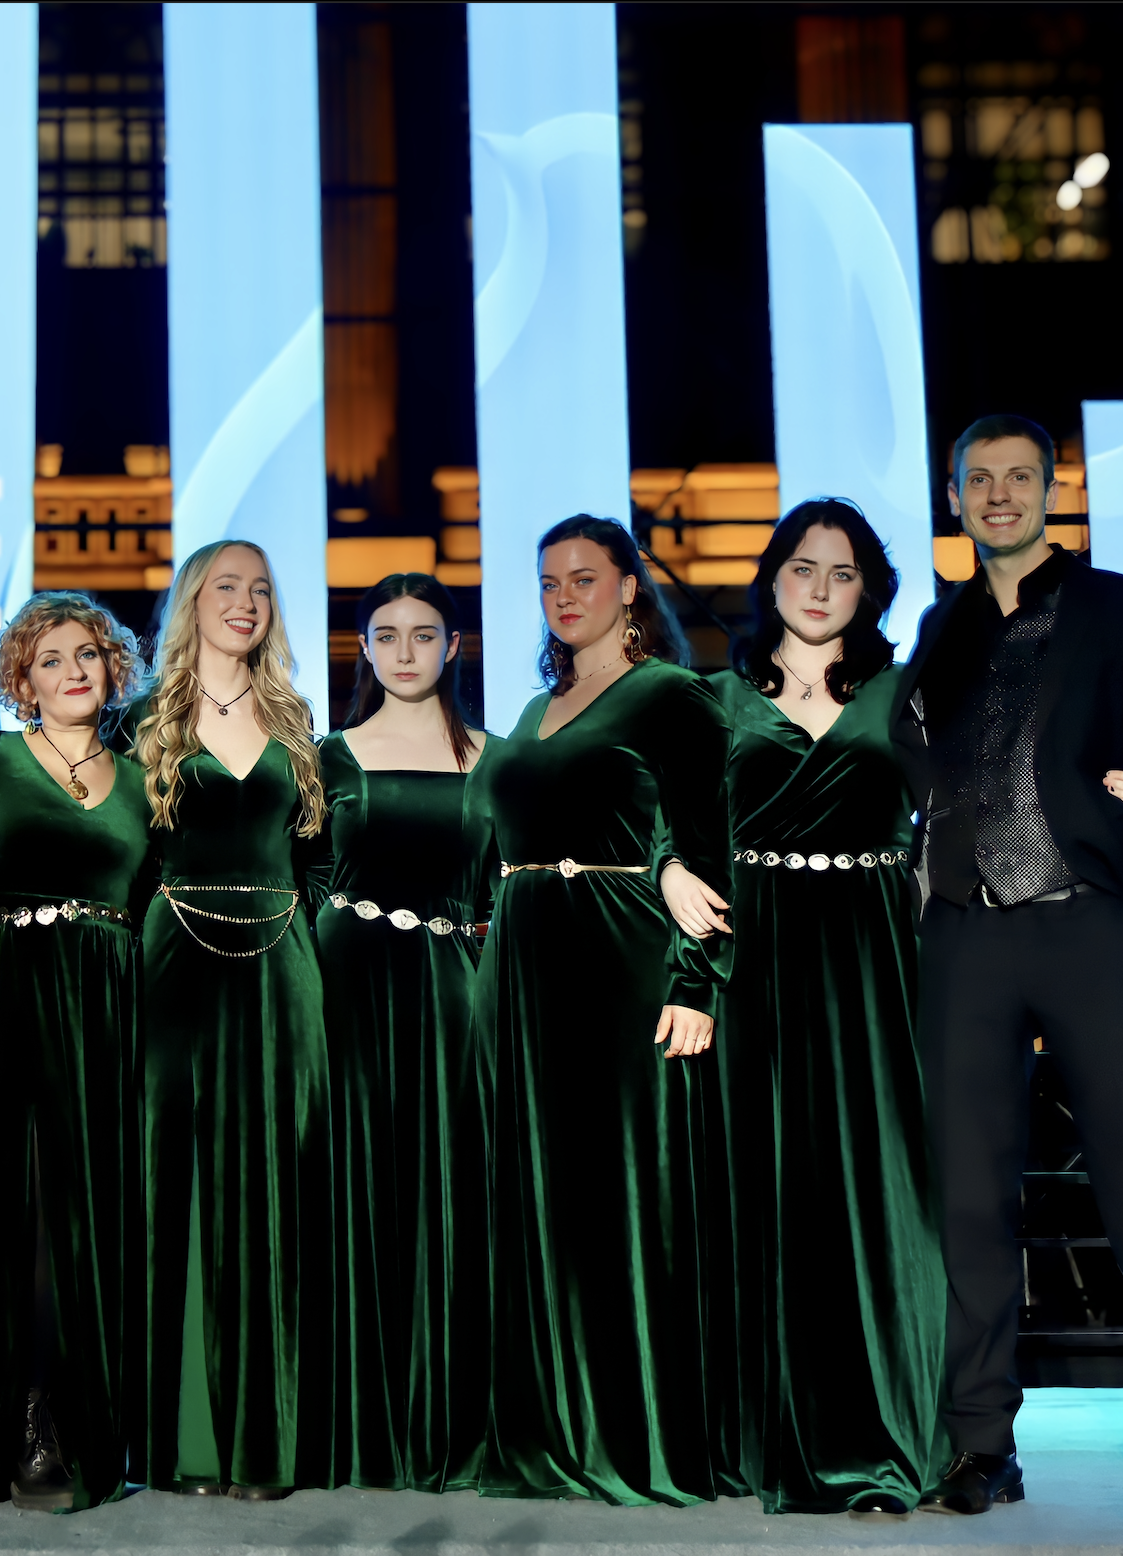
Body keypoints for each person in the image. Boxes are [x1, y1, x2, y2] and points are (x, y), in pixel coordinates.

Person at [891, 414, 1123, 1532]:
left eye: (1018, 476)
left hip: (1088, 927)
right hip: (963, 938)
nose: (997, 494)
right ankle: (982, 1443)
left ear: (1052, 489)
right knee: (968, 1200)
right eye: (977, 479)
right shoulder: (940, 626)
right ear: (954, 497)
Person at [471, 515, 729, 1504]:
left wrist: (695, 980)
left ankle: (635, 1434)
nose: (564, 596)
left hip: (620, 963)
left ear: (628, 586)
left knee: (624, 1196)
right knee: (542, 1198)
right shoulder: (538, 706)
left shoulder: (669, 694)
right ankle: (551, 1427)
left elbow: (707, 842)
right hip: (523, 971)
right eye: (549, 582)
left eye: (584, 577)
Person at [701, 500, 944, 1515]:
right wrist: (667, 870)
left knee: (875, 1189)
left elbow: (978, 792)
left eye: (842, 574)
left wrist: (1104, 793)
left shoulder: (905, 690)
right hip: (750, 951)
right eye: (801, 567)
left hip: (867, 955)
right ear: (770, 578)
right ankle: (762, 1438)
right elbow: (663, 819)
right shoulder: (714, 698)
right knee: (760, 1187)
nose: (817, 588)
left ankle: (874, 1434)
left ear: (868, 592)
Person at [131, 540, 332, 1498]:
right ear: (192, 601)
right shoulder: (142, 720)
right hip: (173, 961)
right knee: (175, 1183)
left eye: (259, 589)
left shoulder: (298, 723)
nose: (245, 602)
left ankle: (266, 1442)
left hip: (284, 965)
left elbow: (322, 863)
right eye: (226, 586)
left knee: (276, 1186)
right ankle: (184, 1445)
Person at [0, 593, 154, 1512]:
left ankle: (80, 1418)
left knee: (84, 1218)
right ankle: (18, 1418)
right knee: (13, 1212)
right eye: (49, 660)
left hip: (104, 1007)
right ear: (22, 684)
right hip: (3, 991)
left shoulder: (147, 780)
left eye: (88, 655)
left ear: (113, 667)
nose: (73, 671)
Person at [314, 573, 493, 1492]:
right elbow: (302, 877)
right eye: (387, 635)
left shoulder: (496, 759)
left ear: (453, 646)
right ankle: (355, 1426)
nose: (406, 652)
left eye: (425, 634)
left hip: (455, 996)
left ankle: (442, 1427)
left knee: (448, 1197)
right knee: (350, 1193)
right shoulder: (328, 756)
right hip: (342, 990)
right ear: (365, 648)